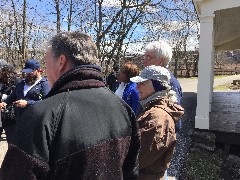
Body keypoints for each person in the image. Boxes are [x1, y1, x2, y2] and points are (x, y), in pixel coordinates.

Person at [1, 31, 140, 180]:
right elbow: (131, 173)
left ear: (61, 62)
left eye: (47, 63)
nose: (46, 71)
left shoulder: (43, 115)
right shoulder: (124, 109)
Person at [130, 65, 184, 180]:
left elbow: (137, 158)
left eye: (142, 84)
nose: (137, 88)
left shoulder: (157, 117)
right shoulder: (152, 109)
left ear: (157, 86)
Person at [140, 40, 183, 131]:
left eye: (148, 57)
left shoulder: (169, 82)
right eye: (144, 57)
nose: (144, 61)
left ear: (161, 61)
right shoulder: (154, 79)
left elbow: (174, 118)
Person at [0, 59, 50, 125]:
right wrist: (5, 103)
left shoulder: (44, 84)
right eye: (26, 72)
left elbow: (47, 102)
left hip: (36, 122)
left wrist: (27, 103)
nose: (27, 74)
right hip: (19, 122)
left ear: (38, 70)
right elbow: (13, 96)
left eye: (30, 72)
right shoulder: (22, 83)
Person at [0, 60, 20, 141]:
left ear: (5, 70)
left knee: (12, 143)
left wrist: (3, 97)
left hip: (10, 117)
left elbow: (19, 97)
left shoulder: (16, 81)